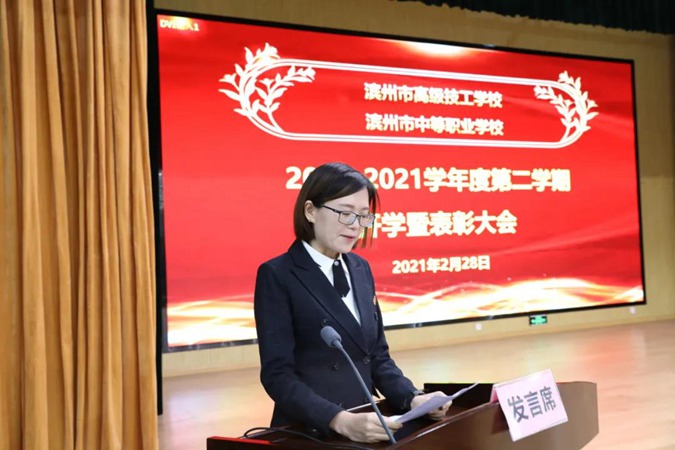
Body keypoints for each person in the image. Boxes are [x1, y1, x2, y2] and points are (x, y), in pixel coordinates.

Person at [254, 162, 451, 443]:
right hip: (311, 430)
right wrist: (338, 420)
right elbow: (277, 375)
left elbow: (376, 356)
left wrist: (412, 398)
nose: (356, 226)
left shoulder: (360, 268)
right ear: (310, 211)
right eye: (346, 213)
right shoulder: (278, 274)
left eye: (363, 216)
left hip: (366, 421)